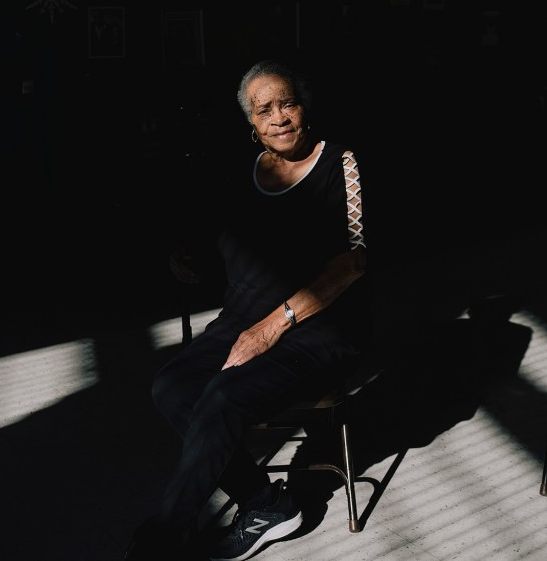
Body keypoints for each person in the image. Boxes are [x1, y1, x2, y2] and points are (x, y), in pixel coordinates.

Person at [124, 59, 371, 560]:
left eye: (287, 104)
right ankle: (265, 502)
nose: (279, 118)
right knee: (170, 388)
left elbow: (352, 264)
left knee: (221, 397)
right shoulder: (243, 173)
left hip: (315, 329)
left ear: (304, 107)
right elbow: (230, 241)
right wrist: (190, 260)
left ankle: (162, 535)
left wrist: (271, 328)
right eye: (265, 110)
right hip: (241, 321)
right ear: (252, 124)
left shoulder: (340, 163)